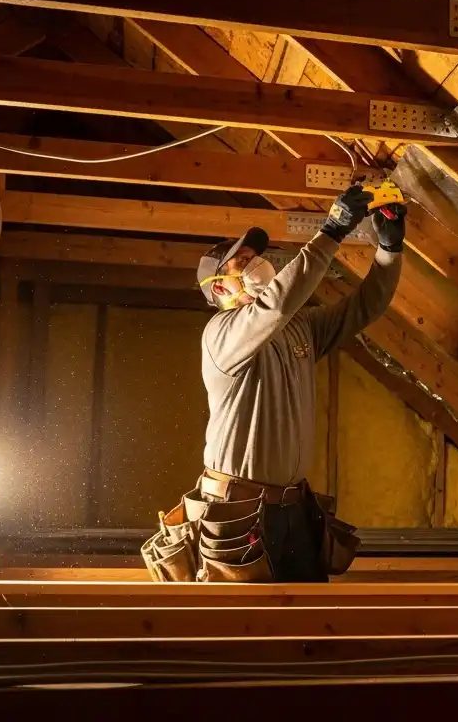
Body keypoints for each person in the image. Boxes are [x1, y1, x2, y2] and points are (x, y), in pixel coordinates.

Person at [141, 186, 405, 583]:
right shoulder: (220, 334)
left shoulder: (297, 328)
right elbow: (278, 304)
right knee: (244, 628)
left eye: (255, 256)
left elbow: (365, 306)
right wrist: (332, 230)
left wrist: (389, 250)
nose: (256, 263)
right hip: (236, 513)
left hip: (294, 508)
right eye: (241, 262)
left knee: (306, 628)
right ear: (219, 288)